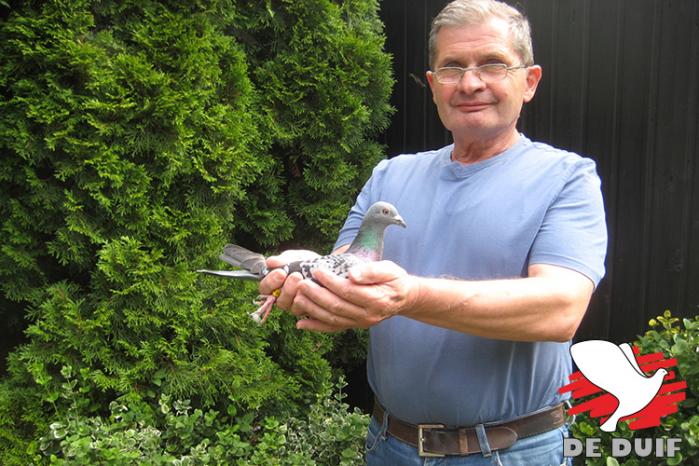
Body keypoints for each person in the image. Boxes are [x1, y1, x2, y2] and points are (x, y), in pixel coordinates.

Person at [260, 0, 607, 464]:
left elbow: (559, 309)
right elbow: (345, 270)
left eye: (493, 64)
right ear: (432, 86)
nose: (470, 83)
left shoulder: (567, 178)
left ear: (530, 81)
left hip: (509, 451)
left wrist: (412, 297)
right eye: (451, 68)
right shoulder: (389, 177)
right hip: (389, 444)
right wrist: (305, 279)